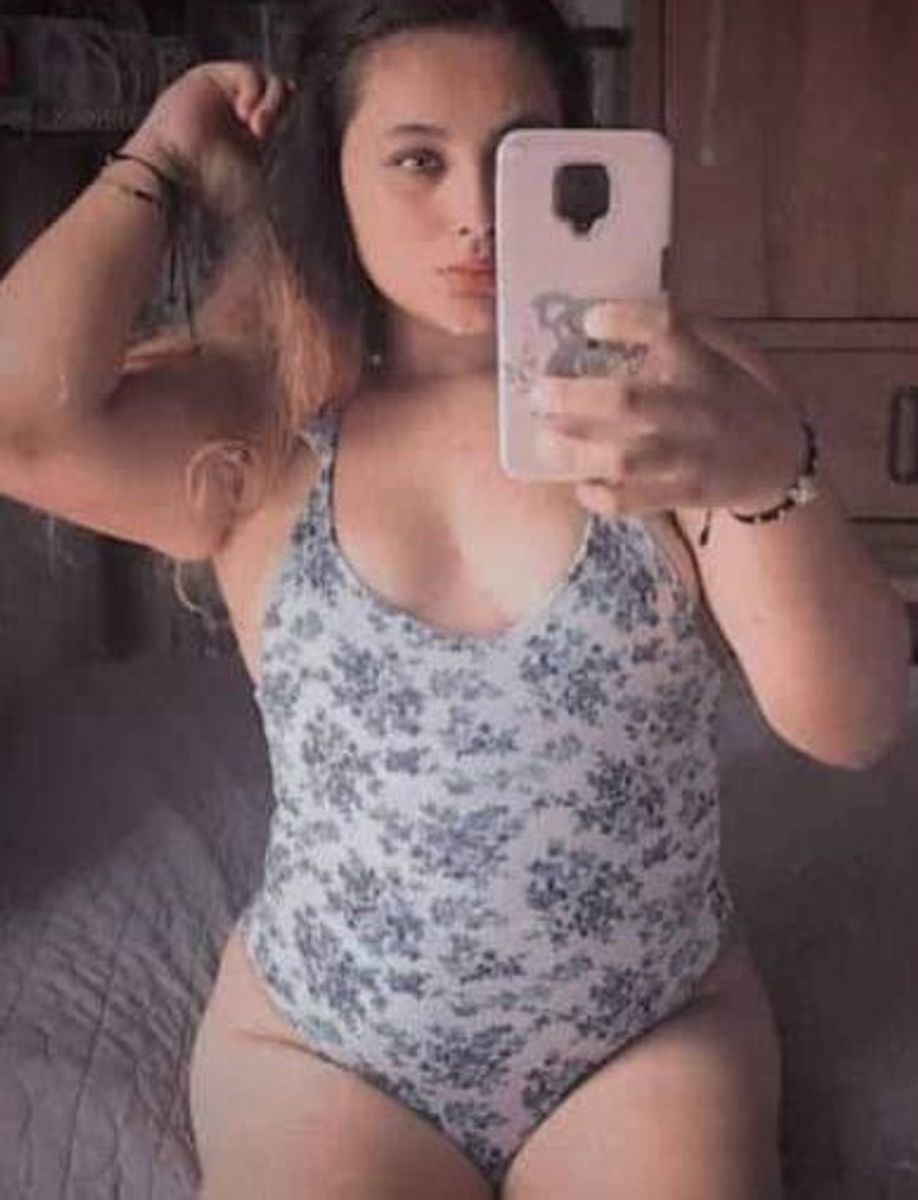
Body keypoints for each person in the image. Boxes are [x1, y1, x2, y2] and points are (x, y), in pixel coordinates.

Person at [0, 1, 910, 1197]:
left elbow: (851, 724)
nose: (478, 212)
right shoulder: (262, 418)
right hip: (325, 1046)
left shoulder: (676, 396)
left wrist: (766, 470)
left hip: (646, 1034)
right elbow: (18, 423)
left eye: (518, 156)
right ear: (333, 174)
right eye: (418, 160)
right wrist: (163, 155)